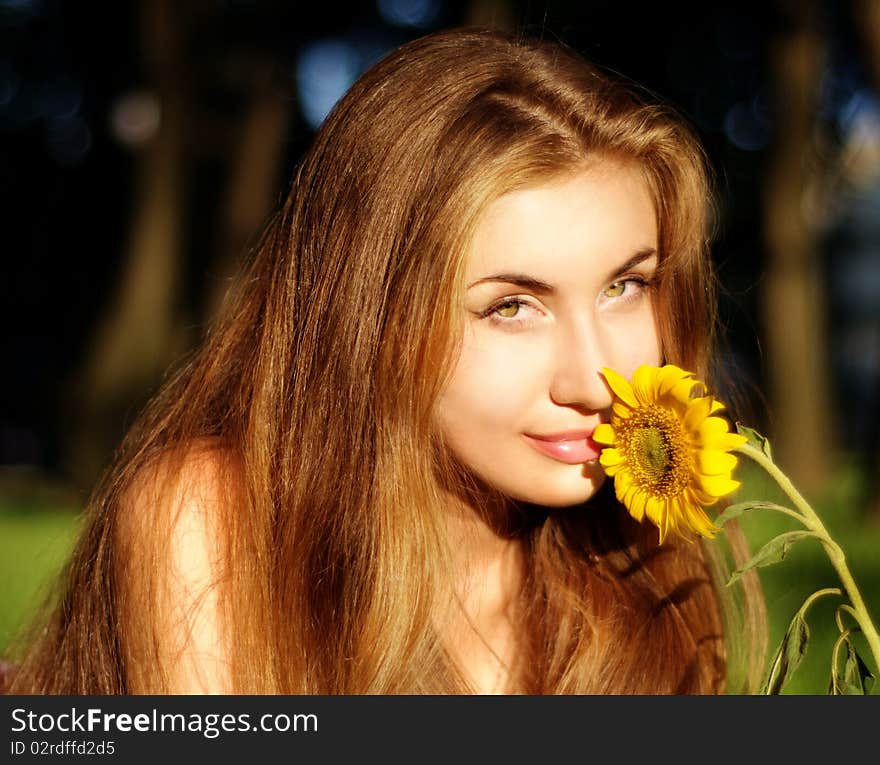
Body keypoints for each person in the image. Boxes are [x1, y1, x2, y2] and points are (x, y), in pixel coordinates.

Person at [6, 26, 766, 695]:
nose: (597, 380)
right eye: (510, 306)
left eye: (625, 286)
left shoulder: (643, 556)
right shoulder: (219, 526)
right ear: (369, 318)